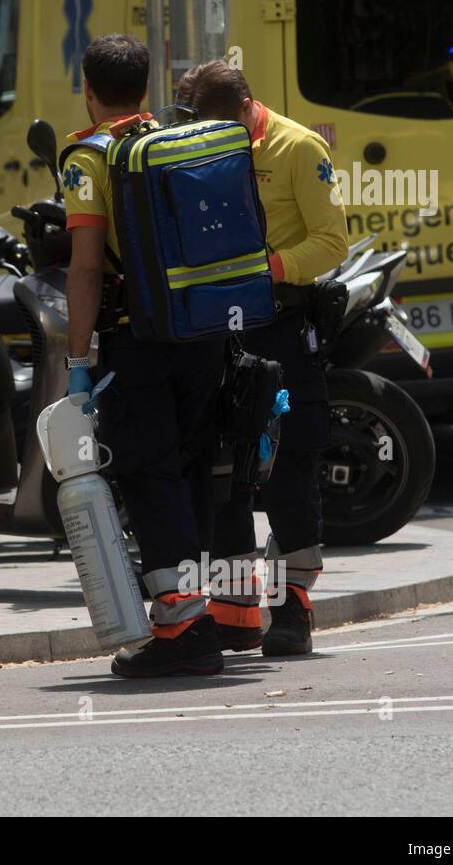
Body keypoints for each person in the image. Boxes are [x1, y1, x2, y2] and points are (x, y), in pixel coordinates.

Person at [61, 33, 228, 677]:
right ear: (148, 88)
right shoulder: (179, 141)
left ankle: (184, 631)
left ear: (88, 89)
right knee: (188, 470)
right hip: (203, 333)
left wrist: (79, 357)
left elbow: (84, 267)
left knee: (149, 475)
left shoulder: (89, 157)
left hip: (139, 340)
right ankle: (197, 613)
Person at [176, 60, 348, 656]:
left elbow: (331, 241)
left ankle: (294, 608)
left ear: (248, 107)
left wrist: (266, 271)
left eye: (226, 127)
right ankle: (235, 610)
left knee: (291, 468)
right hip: (217, 332)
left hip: (279, 324)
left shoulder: (299, 149)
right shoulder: (196, 147)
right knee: (224, 472)